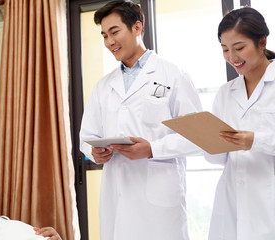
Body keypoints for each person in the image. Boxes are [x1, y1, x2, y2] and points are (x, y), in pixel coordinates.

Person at [79, 0, 202, 239]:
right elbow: (87, 137)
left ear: (137, 27)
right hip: (117, 194)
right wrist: (94, 152)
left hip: (158, 201)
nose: (109, 42)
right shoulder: (104, 86)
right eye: (104, 35)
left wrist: (152, 149)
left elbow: (197, 138)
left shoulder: (173, 74)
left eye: (115, 32)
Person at [204, 7, 275, 240]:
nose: (232, 57)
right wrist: (209, 141)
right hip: (233, 203)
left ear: (262, 42)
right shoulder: (226, 93)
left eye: (239, 48)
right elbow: (216, 158)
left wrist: (256, 141)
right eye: (225, 49)